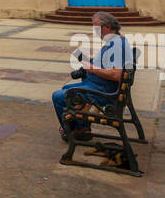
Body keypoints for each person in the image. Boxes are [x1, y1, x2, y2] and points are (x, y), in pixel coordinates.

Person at [51, 11, 133, 143]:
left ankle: (72, 130)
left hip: (103, 91)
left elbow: (117, 74)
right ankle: (81, 128)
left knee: (59, 96)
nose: (94, 31)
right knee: (66, 88)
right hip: (98, 86)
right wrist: (88, 60)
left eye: (96, 27)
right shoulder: (114, 42)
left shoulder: (117, 44)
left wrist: (92, 69)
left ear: (107, 27)